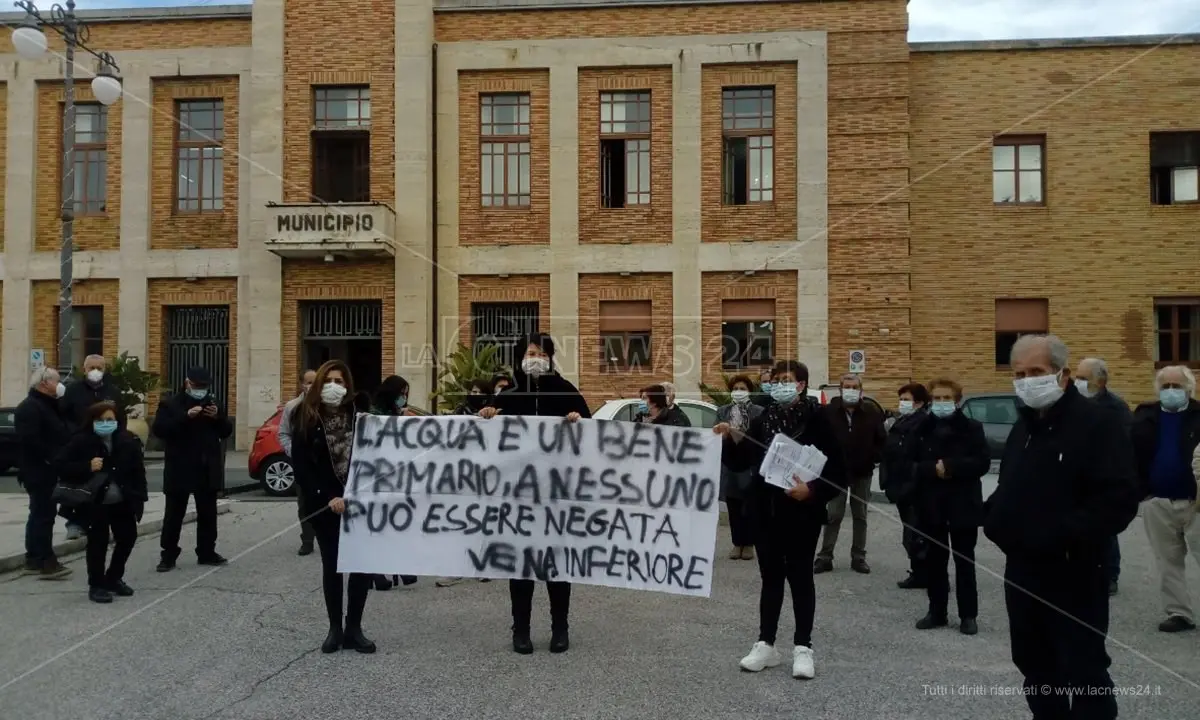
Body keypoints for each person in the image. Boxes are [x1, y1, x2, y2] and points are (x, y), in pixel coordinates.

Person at [984, 334, 1138, 720]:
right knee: (1034, 664)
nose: (1026, 381)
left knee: (1083, 668)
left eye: (1036, 372)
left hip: (1076, 570)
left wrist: (1059, 534)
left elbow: (1117, 500)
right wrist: (994, 520)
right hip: (1023, 571)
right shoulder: (1025, 427)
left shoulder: (1097, 424)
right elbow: (1009, 487)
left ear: (1063, 375)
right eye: (1019, 373)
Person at [714, 360, 846, 679]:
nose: (779, 385)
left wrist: (812, 491)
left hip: (802, 512)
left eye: (787, 380)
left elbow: (839, 471)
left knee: (800, 577)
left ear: (801, 385)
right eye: (775, 380)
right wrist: (730, 437)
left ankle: (803, 647)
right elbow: (742, 460)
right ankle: (766, 643)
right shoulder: (763, 418)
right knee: (770, 577)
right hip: (765, 511)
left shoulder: (820, 419)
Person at [479, 332, 591, 654]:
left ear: (551, 357)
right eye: (530, 352)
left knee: (557, 565)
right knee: (521, 565)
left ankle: (560, 628)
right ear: (520, 357)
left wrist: (578, 422)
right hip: (519, 497)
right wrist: (487, 416)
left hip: (558, 494)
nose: (535, 357)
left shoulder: (568, 392)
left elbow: (593, 438)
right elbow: (486, 443)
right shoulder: (509, 396)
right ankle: (521, 629)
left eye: (541, 352)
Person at [288, 359, 377, 654]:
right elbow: (302, 466)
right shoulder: (305, 416)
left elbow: (379, 452)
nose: (334, 386)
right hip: (326, 504)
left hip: (359, 503)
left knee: (361, 567)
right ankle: (334, 629)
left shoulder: (361, 415)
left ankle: (354, 628)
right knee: (333, 566)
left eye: (340, 382)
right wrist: (326, 496)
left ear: (348, 386)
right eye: (329, 380)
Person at [905, 378, 989, 635]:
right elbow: (909, 463)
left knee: (965, 562)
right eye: (937, 398)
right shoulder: (921, 428)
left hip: (963, 504)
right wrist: (933, 469)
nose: (941, 403)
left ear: (957, 400)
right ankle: (937, 611)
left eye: (946, 398)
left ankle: (968, 615)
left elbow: (981, 462)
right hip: (931, 505)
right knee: (935, 561)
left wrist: (951, 467)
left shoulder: (972, 428)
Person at [53, 401, 147, 603]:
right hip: (94, 502)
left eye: (110, 420)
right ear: (92, 421)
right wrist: (87, 466)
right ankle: (96, 584)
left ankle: (113, 577)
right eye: (101, 420)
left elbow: (138, 472)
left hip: (122, 500)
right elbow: (60, 465)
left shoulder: (127, 441)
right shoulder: (81, 441)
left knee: (128, 538)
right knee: (98, 544)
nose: (105, 423)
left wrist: (139, 498)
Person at [1131, 365, 1200, 633]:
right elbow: (1131, 455)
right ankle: (1178, 613)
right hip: (1158, 502)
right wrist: (1140, 491)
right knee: (1167, 561)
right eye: (1166, 386)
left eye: (1177, 386)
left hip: (1196, 503)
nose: (1171, 391)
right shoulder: (1144, 417)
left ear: (1189, 389)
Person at [152, 367, 232, 572]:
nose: (200, 390)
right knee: (174, 513)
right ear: (187, 383)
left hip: (206, 467)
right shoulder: (170, 404)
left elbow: (225, 431)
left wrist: (218, 418)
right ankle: (168, 555)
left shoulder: (213, 403)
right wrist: (186, 416)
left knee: (208, 513)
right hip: (179, 467)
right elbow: (160, 430)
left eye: (204, 387)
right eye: (197, 386)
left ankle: (206, 552)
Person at [816, 373, 885, 574]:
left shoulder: (871, 412)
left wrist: (873, 457)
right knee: (833, 515)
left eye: (855, 387)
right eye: (847, 386)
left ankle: (858, 557)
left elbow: (882, 440)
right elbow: (820, 438)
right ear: (840, 389)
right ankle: (825, 556)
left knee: (860, 516)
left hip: (862, 473)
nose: (851, 390)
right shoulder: (829, 412)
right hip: (836, 472)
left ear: (861, 390)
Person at [1075, 357, 1134, 596]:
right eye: (1076, 377)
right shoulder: (1074, 403)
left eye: (1083, 378)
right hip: (1078, 474)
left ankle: (1110, 574)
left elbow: (1125, 444)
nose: (1077, 382)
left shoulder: (1115, 407)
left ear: (1100, 382)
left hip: (1104, 475)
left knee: (1105, 530)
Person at [15, 367, 72, 580]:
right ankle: (45, 560)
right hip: (39, 470)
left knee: (40, 513)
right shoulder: (30, 408)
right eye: (56, 381)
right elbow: (31, 441)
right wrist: (51, 458)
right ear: (43, 383)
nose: (59, 384)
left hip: (47, 468)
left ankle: (34, 558)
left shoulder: (48, 405)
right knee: (43, 515)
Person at [369, 375, 420, 591]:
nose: (404, 398)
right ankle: (375, 571)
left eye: (406, 394)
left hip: (397, 476)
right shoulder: (374, 413)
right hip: (376, 477)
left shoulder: (397, 412)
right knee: (378, 525)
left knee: (398, 522)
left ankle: (400, 565)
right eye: (401, 394)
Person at [881, 382, 932, 589]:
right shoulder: (902, 422)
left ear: (919, 402)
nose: (902, 403)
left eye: (907, 399)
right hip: (899, 484)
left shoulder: (923, 424)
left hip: (915, 487)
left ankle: (928, 574)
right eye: (901, 399)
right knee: (911, 533)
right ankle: (918, 572)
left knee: (917, 534)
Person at [717, 374, 763, 560]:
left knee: (749, 506)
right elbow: (715, 433)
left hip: (750, 463)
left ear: (749, 391)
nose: (738, 392)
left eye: (742, 389)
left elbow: (760, 437)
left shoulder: (759, 411)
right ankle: (737, 543)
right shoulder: (722, 411)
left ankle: (749, 543)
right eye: (735, 389)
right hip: (729, 463)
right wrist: (723, 432)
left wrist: (740, 434)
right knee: (733, 506)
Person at [278, 369, 317, 556]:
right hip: (303, 464)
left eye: (315, 382)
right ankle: (307, 540)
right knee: (304, 503)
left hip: (325, 463)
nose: (311, 386)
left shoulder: (328, 405)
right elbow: (283, 433)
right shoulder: (292, 406)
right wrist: (294, 451)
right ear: (302, 384)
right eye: (308, 382)